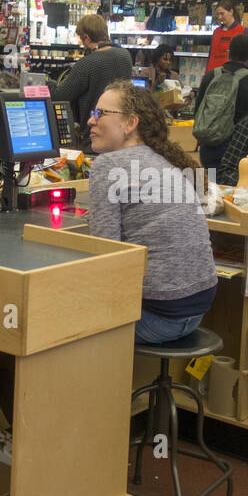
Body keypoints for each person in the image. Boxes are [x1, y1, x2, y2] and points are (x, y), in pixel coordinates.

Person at [88, 81, 217, 344]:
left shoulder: (107, 165)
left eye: (101, 113)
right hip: (198, 308)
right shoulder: (163, 159)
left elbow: (105, 255)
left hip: (157, 317)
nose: (91, 121)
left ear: (130, 123)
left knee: (56, 311)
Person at [52, 13, 133, 132]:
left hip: (94, 131)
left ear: (87, 38)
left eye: (82, 39)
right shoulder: (125, 55)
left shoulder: (87, 63)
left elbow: (60, 96)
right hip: (121, 129)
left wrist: (49, 84)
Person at [193, 33, 248, 171]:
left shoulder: (211, 76)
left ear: (229, 52)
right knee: (229, 190)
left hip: (208, 145)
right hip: (236, 149)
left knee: (210, 187)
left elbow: (198, 110)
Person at [205, 0, 247, 74]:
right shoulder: (216, 32)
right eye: (218, 14)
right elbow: (211, 56)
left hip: (232, 77)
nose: (219, 17)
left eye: (222, 13)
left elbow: (247, 59)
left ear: (231, 12)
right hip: (214, 76)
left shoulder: (242, 31)